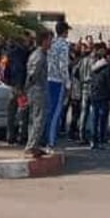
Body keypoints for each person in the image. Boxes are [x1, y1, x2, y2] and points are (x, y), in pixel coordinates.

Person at [43, 20, 72, 149]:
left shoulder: (51, 43)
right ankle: (51, 141)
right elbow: (63, 65)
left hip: (48, 78)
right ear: (64, 31)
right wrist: (68, 83)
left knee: (48, 111)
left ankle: (46, 138)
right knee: (55, 112)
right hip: (58, 81)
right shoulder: (63, 45)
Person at [24, 30, 52, 157]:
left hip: (38, 90)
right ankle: (31, 146)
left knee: (35, 119)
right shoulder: (39, 56)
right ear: (44, 41)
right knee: (38, 120)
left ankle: (33, 145)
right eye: (50, 40)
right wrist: (28, 90)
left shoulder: (41, 54)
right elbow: (32, 75)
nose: (51, 43)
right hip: (37, 91)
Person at [87, 48, 110, 150]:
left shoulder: (94, 67)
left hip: (94, 94)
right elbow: (109, 82)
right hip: (104, 95)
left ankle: (93, 140)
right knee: (102, 119)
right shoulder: (106, 68)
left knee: (94, 118)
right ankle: (101, 140)